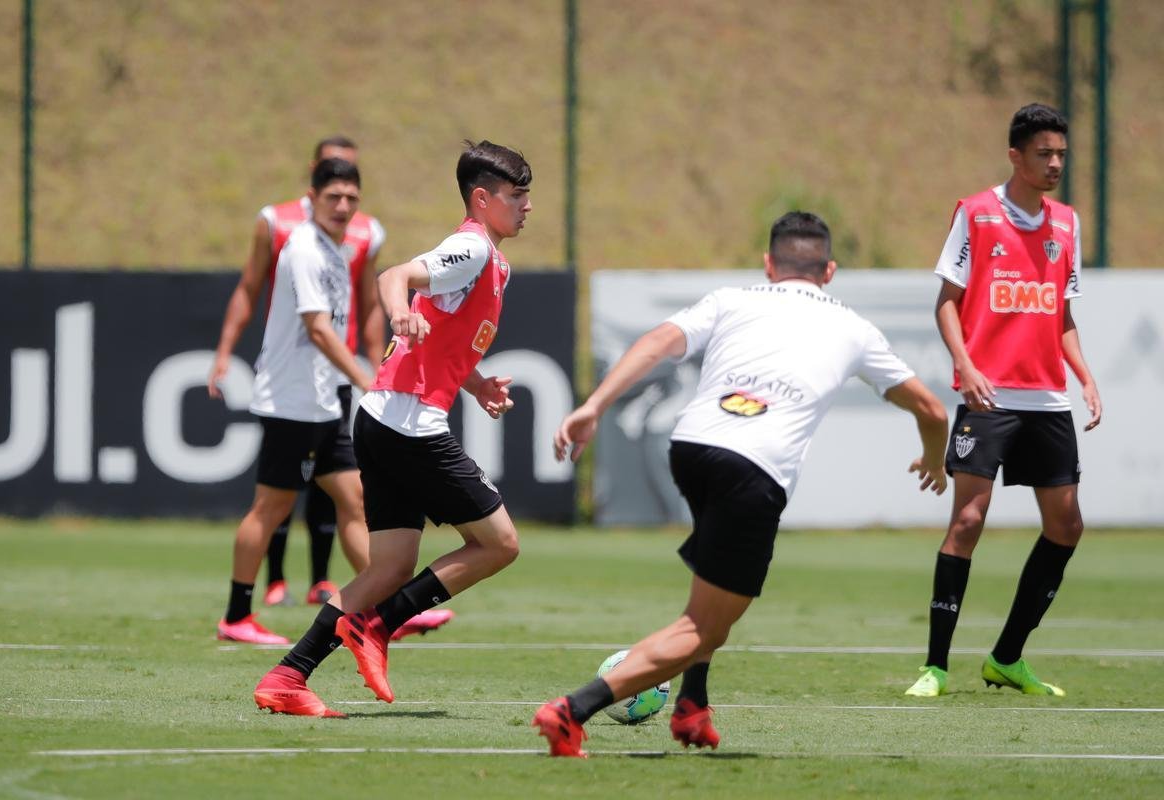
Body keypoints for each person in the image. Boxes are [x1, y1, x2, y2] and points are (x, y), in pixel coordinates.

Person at [532, 211, 949, 757]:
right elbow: (933, 409)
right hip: (753, 469)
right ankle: (571, 711)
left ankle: (691, 705)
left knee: (711, 607)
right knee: (700, 629)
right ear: (829, 271)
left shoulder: (732, 298)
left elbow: (658, 340)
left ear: (769, 264)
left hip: (692, 449)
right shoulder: (853, 327)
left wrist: (593, 406)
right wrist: (934, 459)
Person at [252, 140, 533, 717]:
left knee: (389, 567)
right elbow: (395, 273)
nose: (527, 206)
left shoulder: (488, 256)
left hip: (382, 417)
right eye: (517, 195)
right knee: (499, 543)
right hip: (408, 423)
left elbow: (444, 330)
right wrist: (399, 306)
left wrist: (475, 384)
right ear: (483, 200)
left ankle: (288, 677)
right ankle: (377, 627)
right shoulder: (472, 248)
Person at [904, 103, 1102, 698]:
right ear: (1015, 155)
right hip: (989, 396)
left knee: (1066, 525)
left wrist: (1085, 376)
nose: (1055, 164)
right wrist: (963, 365)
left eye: (1061, 154)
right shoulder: (977, 213)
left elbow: (1061, 313)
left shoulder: (1067, 223)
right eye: (1044, 153)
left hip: (1046, 397)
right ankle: (935, 666)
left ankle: (1007, 658)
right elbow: (947, 299)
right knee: (968, 519)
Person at [208, 136, 384, 609]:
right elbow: (320, 331)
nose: (343, 207)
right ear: (311, 198)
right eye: (333, 197)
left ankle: (383, 609)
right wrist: (369, 378)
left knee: (354, 502)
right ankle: (239, 613)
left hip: (324, 398)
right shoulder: (304, 247)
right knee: (272, 508)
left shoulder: (336, 249)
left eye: (351, 198)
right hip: (294, 399)